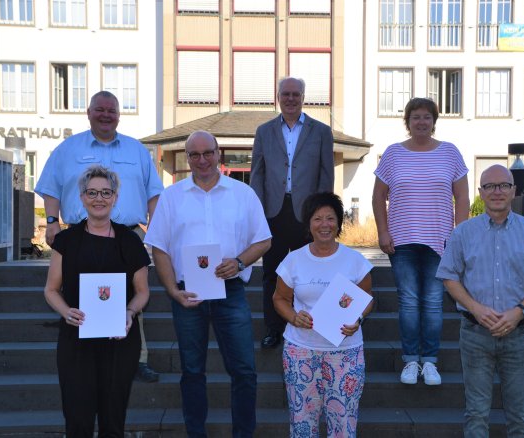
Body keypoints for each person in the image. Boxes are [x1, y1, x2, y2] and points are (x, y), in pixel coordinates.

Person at [144, 131, 272, 438]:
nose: (202, 160)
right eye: (195, 155)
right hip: (188, 293)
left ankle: (243, 434)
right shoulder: (172, 196)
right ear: (187, 159)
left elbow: (264, 239)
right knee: (192, 371)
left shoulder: (243, 193)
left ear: (219, 154)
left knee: (244, 371)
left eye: (208, 153)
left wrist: (240, 262)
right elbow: (158, 247)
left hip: (231, 290)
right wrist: (172, 290)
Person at [35, 90, 164, 383]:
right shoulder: (68, 149)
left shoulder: (136, 150)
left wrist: (154, 231)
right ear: (89, 112)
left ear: (119, 115)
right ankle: (80, 352)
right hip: (81, 235)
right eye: (100, 110)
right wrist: (52, 223)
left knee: (132, 295)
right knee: (77, 293)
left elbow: (154, 194)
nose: (106, 115)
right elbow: (51, 188)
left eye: (112, 110)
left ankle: (137, 357)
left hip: (127, 236)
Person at [436, 165, 524, 438]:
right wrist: (476, 309)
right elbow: (449, 277)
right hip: (475, 333)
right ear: (480, 192)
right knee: (476, 414)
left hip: (519, 332)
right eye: (489, 186)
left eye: (503, 185)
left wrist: (519, 312)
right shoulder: (463, 233)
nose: (497, 191)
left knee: (520, 417)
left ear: (515, 190)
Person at [43, 165, 151, 437]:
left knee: (113, 421)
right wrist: (66, 312)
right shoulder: (66, 241)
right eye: (92, 192)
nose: (98, 199)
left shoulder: (130, 241)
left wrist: (129, 312)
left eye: (105, 192)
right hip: (76, 340)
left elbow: (143, 292)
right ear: (82, 197)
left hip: (119, 341)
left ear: (115, 197)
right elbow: (51, 290)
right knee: (77, 420)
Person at [371, 97, 470, 386]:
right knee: (409, 302)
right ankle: (410, 361)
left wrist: (458, 233)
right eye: (416, 117)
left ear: (434, 121)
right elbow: (378, 196)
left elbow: (462, 196)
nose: (422, 122)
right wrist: (383, 231)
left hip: (440, 241)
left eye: (427, 117)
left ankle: (430, 362)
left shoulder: (450, 153)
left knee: (434, 302)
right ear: (408, 121)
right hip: (401, 241)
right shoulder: (393, 154)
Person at [272, 192, 373, 438]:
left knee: (344, 423)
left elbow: (367, 300)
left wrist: (358, 319)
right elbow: (279, 298)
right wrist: (294, 316)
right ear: (308, 223)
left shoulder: (354, 260)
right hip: (301, 351)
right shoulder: (294, 260)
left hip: (345, 353)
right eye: (318, 219)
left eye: (330, 218)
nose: (324, 225)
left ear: (339, 223)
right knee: (302, 423)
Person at [250, 76, 334, 349]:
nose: (290, 99)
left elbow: (325, 175)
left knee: (308, 272)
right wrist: (257, 212)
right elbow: (257, 174)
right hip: (273, 211)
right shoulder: (264, 132)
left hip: (306, 214)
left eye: (295, 94)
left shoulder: (321, 131)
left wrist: (321, 214)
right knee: (272, 273)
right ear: (277, 96)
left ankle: (310, 324)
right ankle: (273, 329)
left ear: (303, 96)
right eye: (285, 94)